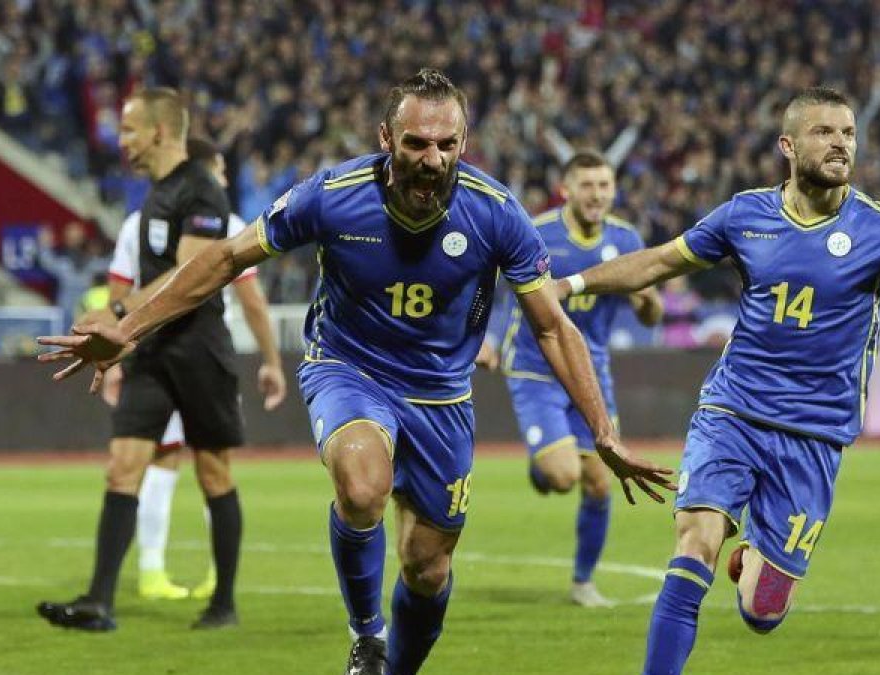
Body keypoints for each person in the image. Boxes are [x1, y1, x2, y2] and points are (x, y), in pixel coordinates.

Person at [38, 69, 673, 674]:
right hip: (349, 369)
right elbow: (226, 259)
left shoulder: (494, 212)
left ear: (464, 143)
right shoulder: (332, 197)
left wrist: (604, 432)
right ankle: (366, 635)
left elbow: (552, 327)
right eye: (417, 142)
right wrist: (127, 327)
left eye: (447, 143)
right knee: (364, 485)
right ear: (385, 139)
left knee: (428, 568)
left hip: (442, 395)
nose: (432, 158)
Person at [547, 87, 880, 674]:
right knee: (694, 545)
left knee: (763, 612)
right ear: (789, 146)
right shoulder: (745, 215)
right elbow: (662, 261)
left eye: (848, 133)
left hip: (815, 435)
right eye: (825, 132)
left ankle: (755, 562)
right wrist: (571, 286)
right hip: (733, 412)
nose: (841, 143)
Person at [35, 87, 247, 632]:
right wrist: (116, 324)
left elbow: (191, 277)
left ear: (158, 131)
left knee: (213, 471)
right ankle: (97, 602)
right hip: (151, 351)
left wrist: (120, 313)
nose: (120, 139)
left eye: (128, 129)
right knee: (123, 466)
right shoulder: (154, 196)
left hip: (199, 350)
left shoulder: (202, 192)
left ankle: (223, 603)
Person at [101, 136, 287, 601]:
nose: (223, 180)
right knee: (214, 467)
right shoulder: (229, 222)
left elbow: (117, 294)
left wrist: (112, 355)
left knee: (154, 461)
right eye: (220, 170)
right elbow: (251, 302)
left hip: (148, 353)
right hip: (203, 355)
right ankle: (217, 584)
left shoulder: (134, 223)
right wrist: (270, 361)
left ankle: (150, 572)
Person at [479, 150, 662, 607]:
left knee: (601, 483)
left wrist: (644, 302)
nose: (596, 195)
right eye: (587, 185)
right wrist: (486, 339)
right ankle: (545, 467)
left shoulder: (626, 239)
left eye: (604, 186)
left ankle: (583, 583)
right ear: (568, 188)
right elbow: (494, 293)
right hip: (535, 367)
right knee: (563, 477)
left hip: (590, 373)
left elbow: (651, 313)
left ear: (614, 190)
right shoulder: (538, 233)